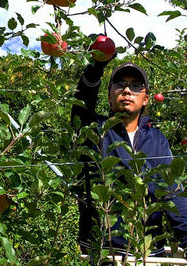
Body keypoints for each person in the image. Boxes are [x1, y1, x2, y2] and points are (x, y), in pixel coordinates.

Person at [71, 58, 187, 257]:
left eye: (135, 86)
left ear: (146, 99)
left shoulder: (157, 139)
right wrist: (96, 65)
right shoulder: (94, 130)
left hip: (147, 253)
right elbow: (81, 103)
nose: (126, 91)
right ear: (109, 96)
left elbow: (173, 193)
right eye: (120, 85)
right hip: (102, 253)